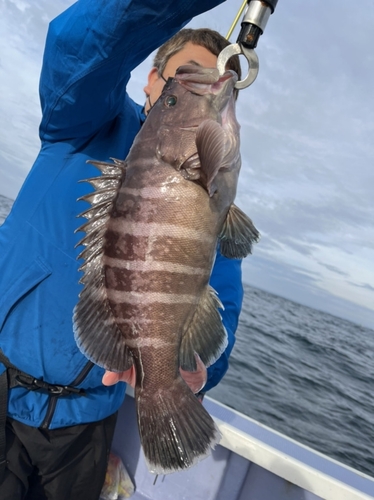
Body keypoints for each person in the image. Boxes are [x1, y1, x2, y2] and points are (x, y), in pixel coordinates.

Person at [0, 0, 243, 498]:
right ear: (151, 81)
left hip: (88, 423)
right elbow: (78, 46)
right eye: (183, 77)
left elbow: (220, 301)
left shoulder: (214, 196)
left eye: (217, 86)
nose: (201, 89)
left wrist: (197, 370)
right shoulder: (80, 120)